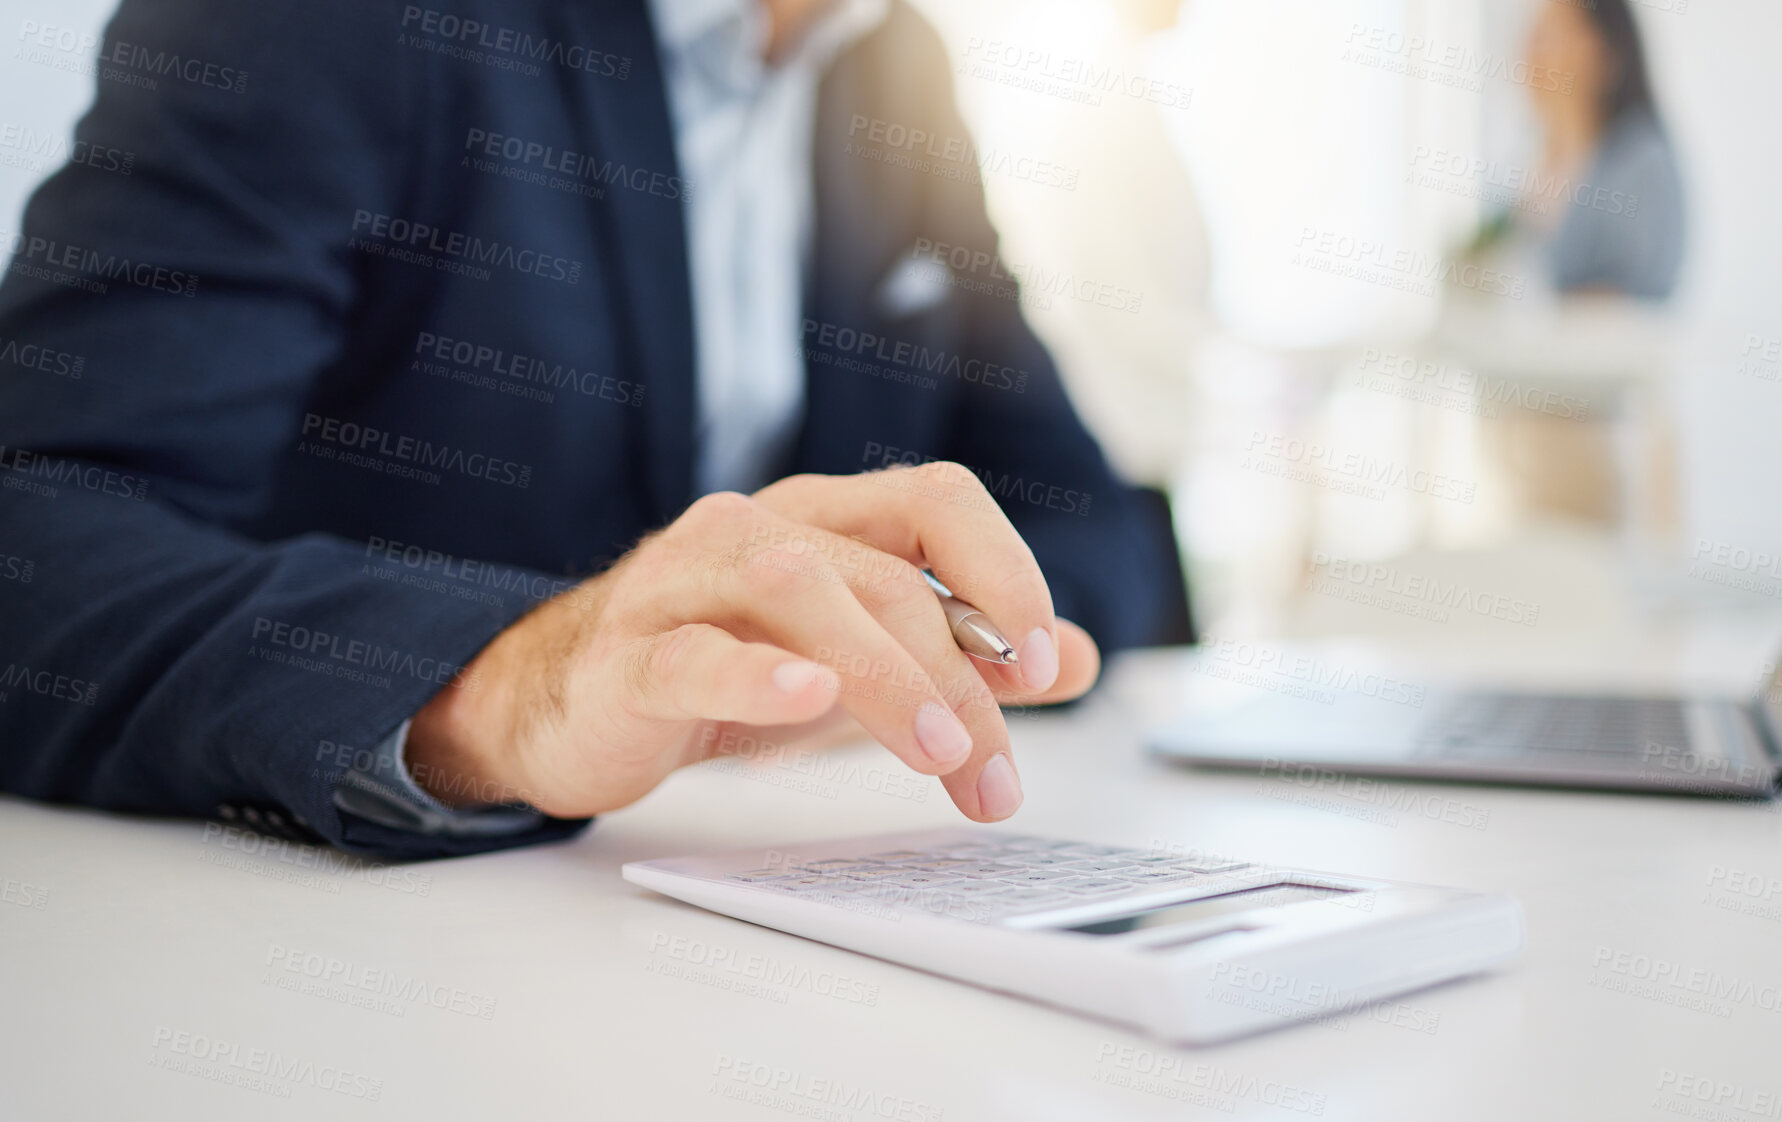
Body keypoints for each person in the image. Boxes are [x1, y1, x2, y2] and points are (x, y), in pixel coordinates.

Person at [0, 0, 1189, 859]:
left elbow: (1082, 517)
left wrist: (893, 634)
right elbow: (33, 540)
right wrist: (508, 686)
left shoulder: (894, 66)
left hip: (749, 909)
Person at [1472, 0, 1685, 300]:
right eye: (1532, 33)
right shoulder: (1527, 162)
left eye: (1549, 34)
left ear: (1604, 52)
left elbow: (1625, 305)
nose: (1529, 51)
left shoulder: (1640, 162)